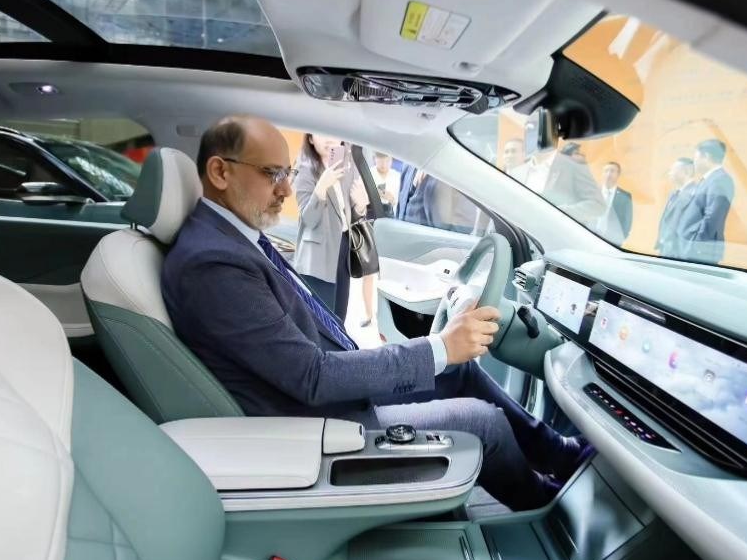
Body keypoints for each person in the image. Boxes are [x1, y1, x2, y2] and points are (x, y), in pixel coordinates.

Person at [162, 116, 594, 512]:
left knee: (460, 373)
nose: (286, 190)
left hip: (326, 396)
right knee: (483, 422)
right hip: (318, 424)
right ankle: (548, 510)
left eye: (287, 173)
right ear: (220, 172)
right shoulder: (212, 264)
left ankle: (560, 454)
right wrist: (440, 347)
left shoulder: (231, 238)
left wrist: (438, 354)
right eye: (272, 174)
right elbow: (313, 377)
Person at [291, 133, 368, 320]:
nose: (328, 139)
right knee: (321, 319)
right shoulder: (304, 168)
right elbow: (309, 220)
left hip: (343, 246)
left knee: (340, 314)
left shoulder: (347, 165)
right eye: (321, 133)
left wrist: (360, 205)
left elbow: (352, 213)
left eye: (333, 133)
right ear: (310, 139)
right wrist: (321, 188)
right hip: (317, 254)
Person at [677, 139, 735, 264]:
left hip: (700, 252)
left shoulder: (720, 180)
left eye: (696, 157)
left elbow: (712, 217)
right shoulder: (710, 179)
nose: (694, 162)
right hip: (694, 249)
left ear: (706, 157)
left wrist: (695, 246)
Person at [361, 152, 400, 327]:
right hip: (369, 221)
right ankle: (369, 314)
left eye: (386, 159)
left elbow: (399, 201)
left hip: (390, 221)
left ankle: (387, 314)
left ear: (391, 160)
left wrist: (391, 198)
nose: (383, 163)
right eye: (380, 159)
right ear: (375, 159)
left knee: (388, 272)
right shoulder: (368, 173)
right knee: (368, 272)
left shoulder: (396, 176)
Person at [655, 157, 696, 258]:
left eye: (673, 170)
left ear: (687, 171)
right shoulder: (674, 193)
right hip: (666, 250)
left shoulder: (694, 195)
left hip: (677, 253)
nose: (670, 173)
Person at [596, 161, 633, 245]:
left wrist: (619, 238)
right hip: (590, 235)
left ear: (618, 174)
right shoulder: (593, 192)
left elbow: (627, 221)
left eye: (612, 171)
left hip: (612, 241)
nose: (608, 174)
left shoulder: (625, 197)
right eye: (606, 171)